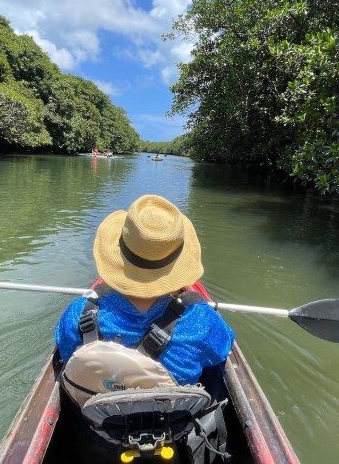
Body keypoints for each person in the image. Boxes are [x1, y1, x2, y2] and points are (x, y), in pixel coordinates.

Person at [54, 194, 234, 459]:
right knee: (213, 371)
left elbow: (66, 351)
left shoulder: (79, 315)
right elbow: (224, 347)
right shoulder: (202, 321)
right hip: (176, 431)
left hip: (103, 432)